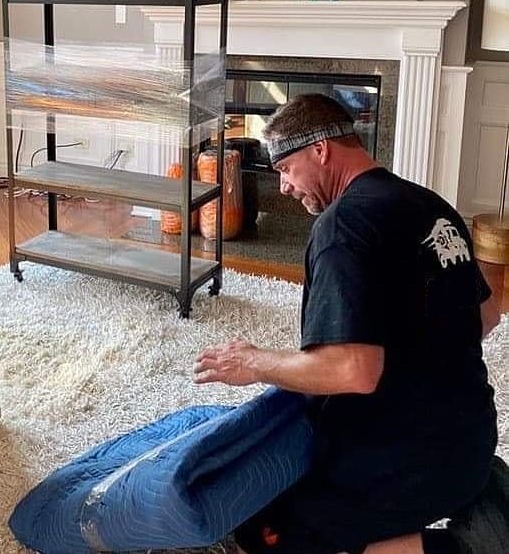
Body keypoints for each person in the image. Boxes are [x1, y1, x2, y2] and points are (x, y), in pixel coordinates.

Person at [192, 93, 506, 554]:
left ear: (320, 150)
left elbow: (351, 372)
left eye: (284, 168)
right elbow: (487, 314)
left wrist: (256, 362)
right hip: (472, 440)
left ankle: (465, 544)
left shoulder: (342, 228)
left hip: (406, 466)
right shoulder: (433, 206)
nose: (284, 186)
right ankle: (475, 500)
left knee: (267, 533)